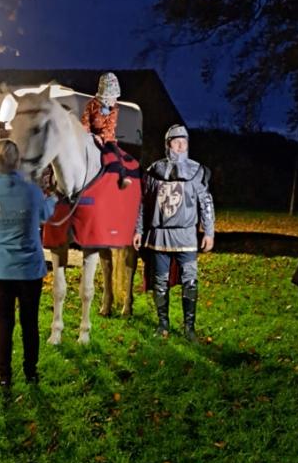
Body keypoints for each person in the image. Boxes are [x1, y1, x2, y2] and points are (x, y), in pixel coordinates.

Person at [0, 139, 57, 390]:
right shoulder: (32, 192)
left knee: (3, 323)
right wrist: (54, 197)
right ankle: (30, 371)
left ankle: (4, 376)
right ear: (17, 162)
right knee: (29, 322)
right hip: (29, 268)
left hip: (0, 269)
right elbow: (45, 215)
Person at [133, 124, 215, 342]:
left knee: (190, 282)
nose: (180, 146)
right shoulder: (154, 172)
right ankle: (163, 325)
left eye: (183, 142)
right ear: (168, 145)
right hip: (159, 237)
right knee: (160, 283)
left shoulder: (197, 172)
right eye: (176, 142)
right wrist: (139, 230)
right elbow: (143, 204)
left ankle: (189, 328)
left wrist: (209, 232)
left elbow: (206, 203)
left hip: (187, 237)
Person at [80, 71, 131, 188]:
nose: (115, 100)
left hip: (107, 139)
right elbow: (85, 120)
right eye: (113, 97)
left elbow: (109, 127)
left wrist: (102, 137)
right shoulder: (91, 105)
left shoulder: (114, 109)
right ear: (106, 97)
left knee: (115, 153)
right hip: (90, 136)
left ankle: (123, 176)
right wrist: (87, 133)